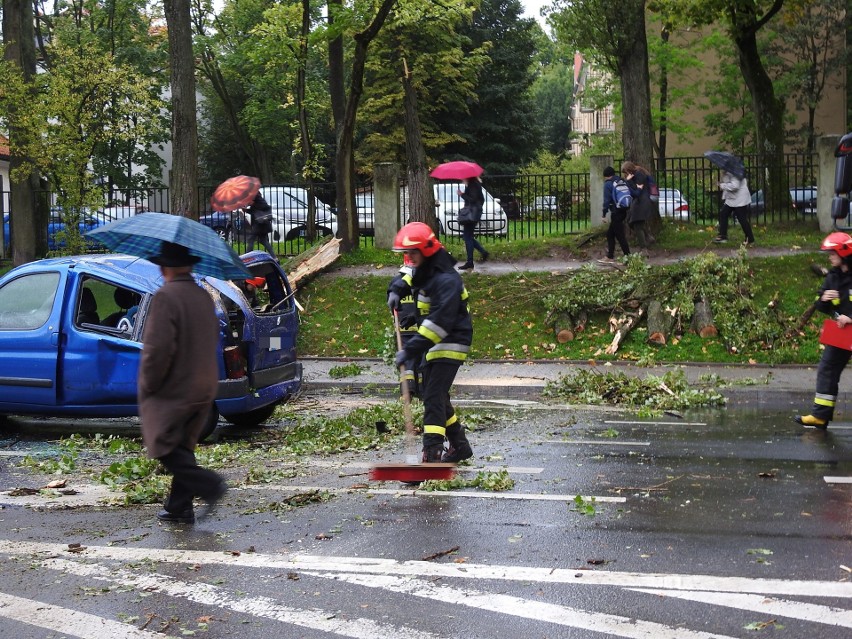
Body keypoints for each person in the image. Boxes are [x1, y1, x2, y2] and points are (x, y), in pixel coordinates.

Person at [139, 241, 227, 524]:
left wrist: (149, 384)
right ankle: (179, 506)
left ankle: (209, 485)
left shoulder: (166, 296)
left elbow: (158, 348)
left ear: (165, 267)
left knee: (164, 446)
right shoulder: (203, 296)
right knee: (183, 445)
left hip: (175, 388)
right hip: (204, 385)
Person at [391, 222, 474, 462]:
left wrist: (410, 349)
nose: (409, 258)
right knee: (434, 393)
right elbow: (408, 275)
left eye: (412, 253)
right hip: (433, 340)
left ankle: (432, 455)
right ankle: (459, 446)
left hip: (451, 339)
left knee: (433, 396)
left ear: (426, 251)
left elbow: (439, 323)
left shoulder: (447, 280)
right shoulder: (427, 266)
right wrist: (395, 291)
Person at [795, 232, 852, 430]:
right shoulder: (833, 277)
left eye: (832, 252)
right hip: (842, 333)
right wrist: (824, 299)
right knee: (827, 369)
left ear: (843, 252)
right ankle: (820, 416)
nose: (829, 256)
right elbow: (822, 307)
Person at [387, 254, 421, 398]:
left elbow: (391, 305)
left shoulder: (396, 282)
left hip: (403, 328)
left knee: (406, 362)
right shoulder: (422, 281)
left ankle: (407, 392)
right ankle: (422, 391)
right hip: (421, 329)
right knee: (420, 362)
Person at [621, 161, 656, 249]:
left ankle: (643, 247)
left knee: (637, 224)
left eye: (626, 172)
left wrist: (628, 182)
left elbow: (636, 192)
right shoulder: (636, 175)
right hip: (638, 203)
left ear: (629, 169)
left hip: (642, 203)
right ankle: (648, 236)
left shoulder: (639, 175)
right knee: (631, 222)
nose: (626, 174)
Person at [713, 170, 755, 246]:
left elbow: (735, 186)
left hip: (740, 199)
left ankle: (750, 238)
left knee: (741, 218)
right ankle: (723, 235)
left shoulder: (735, 172)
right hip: (732, 199)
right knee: (723, 214)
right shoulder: (728, 172)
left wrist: (722, 185)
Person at [457, 177, 489, 271]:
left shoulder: (473, 185)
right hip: (474, 213)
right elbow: (481, 199)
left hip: (472, 214)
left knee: (467, 237)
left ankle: (470, 262)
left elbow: (473, 199)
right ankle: (483, 252)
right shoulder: (474, 184)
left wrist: (462, 194)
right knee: (468, 236)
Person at [601, 166, 631, 260]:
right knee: (610, 234)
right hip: (623, 211)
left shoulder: (608, 184)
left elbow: (607, 201)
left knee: (620, 236)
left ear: (606, 176)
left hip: (616, 212)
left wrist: (603, 214)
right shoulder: (621, 181)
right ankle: (610, 255)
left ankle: (628, 256)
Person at [246, 190, 275, 256]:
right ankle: (274, 257)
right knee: (263, 240)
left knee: (251, 239)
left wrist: (248, 205)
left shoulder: (257, 199)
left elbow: (259, 209)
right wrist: (246, 210)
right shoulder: (258, 201)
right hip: (261, 223)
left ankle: (247, 257)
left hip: (259, 224)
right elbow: (255, 211)